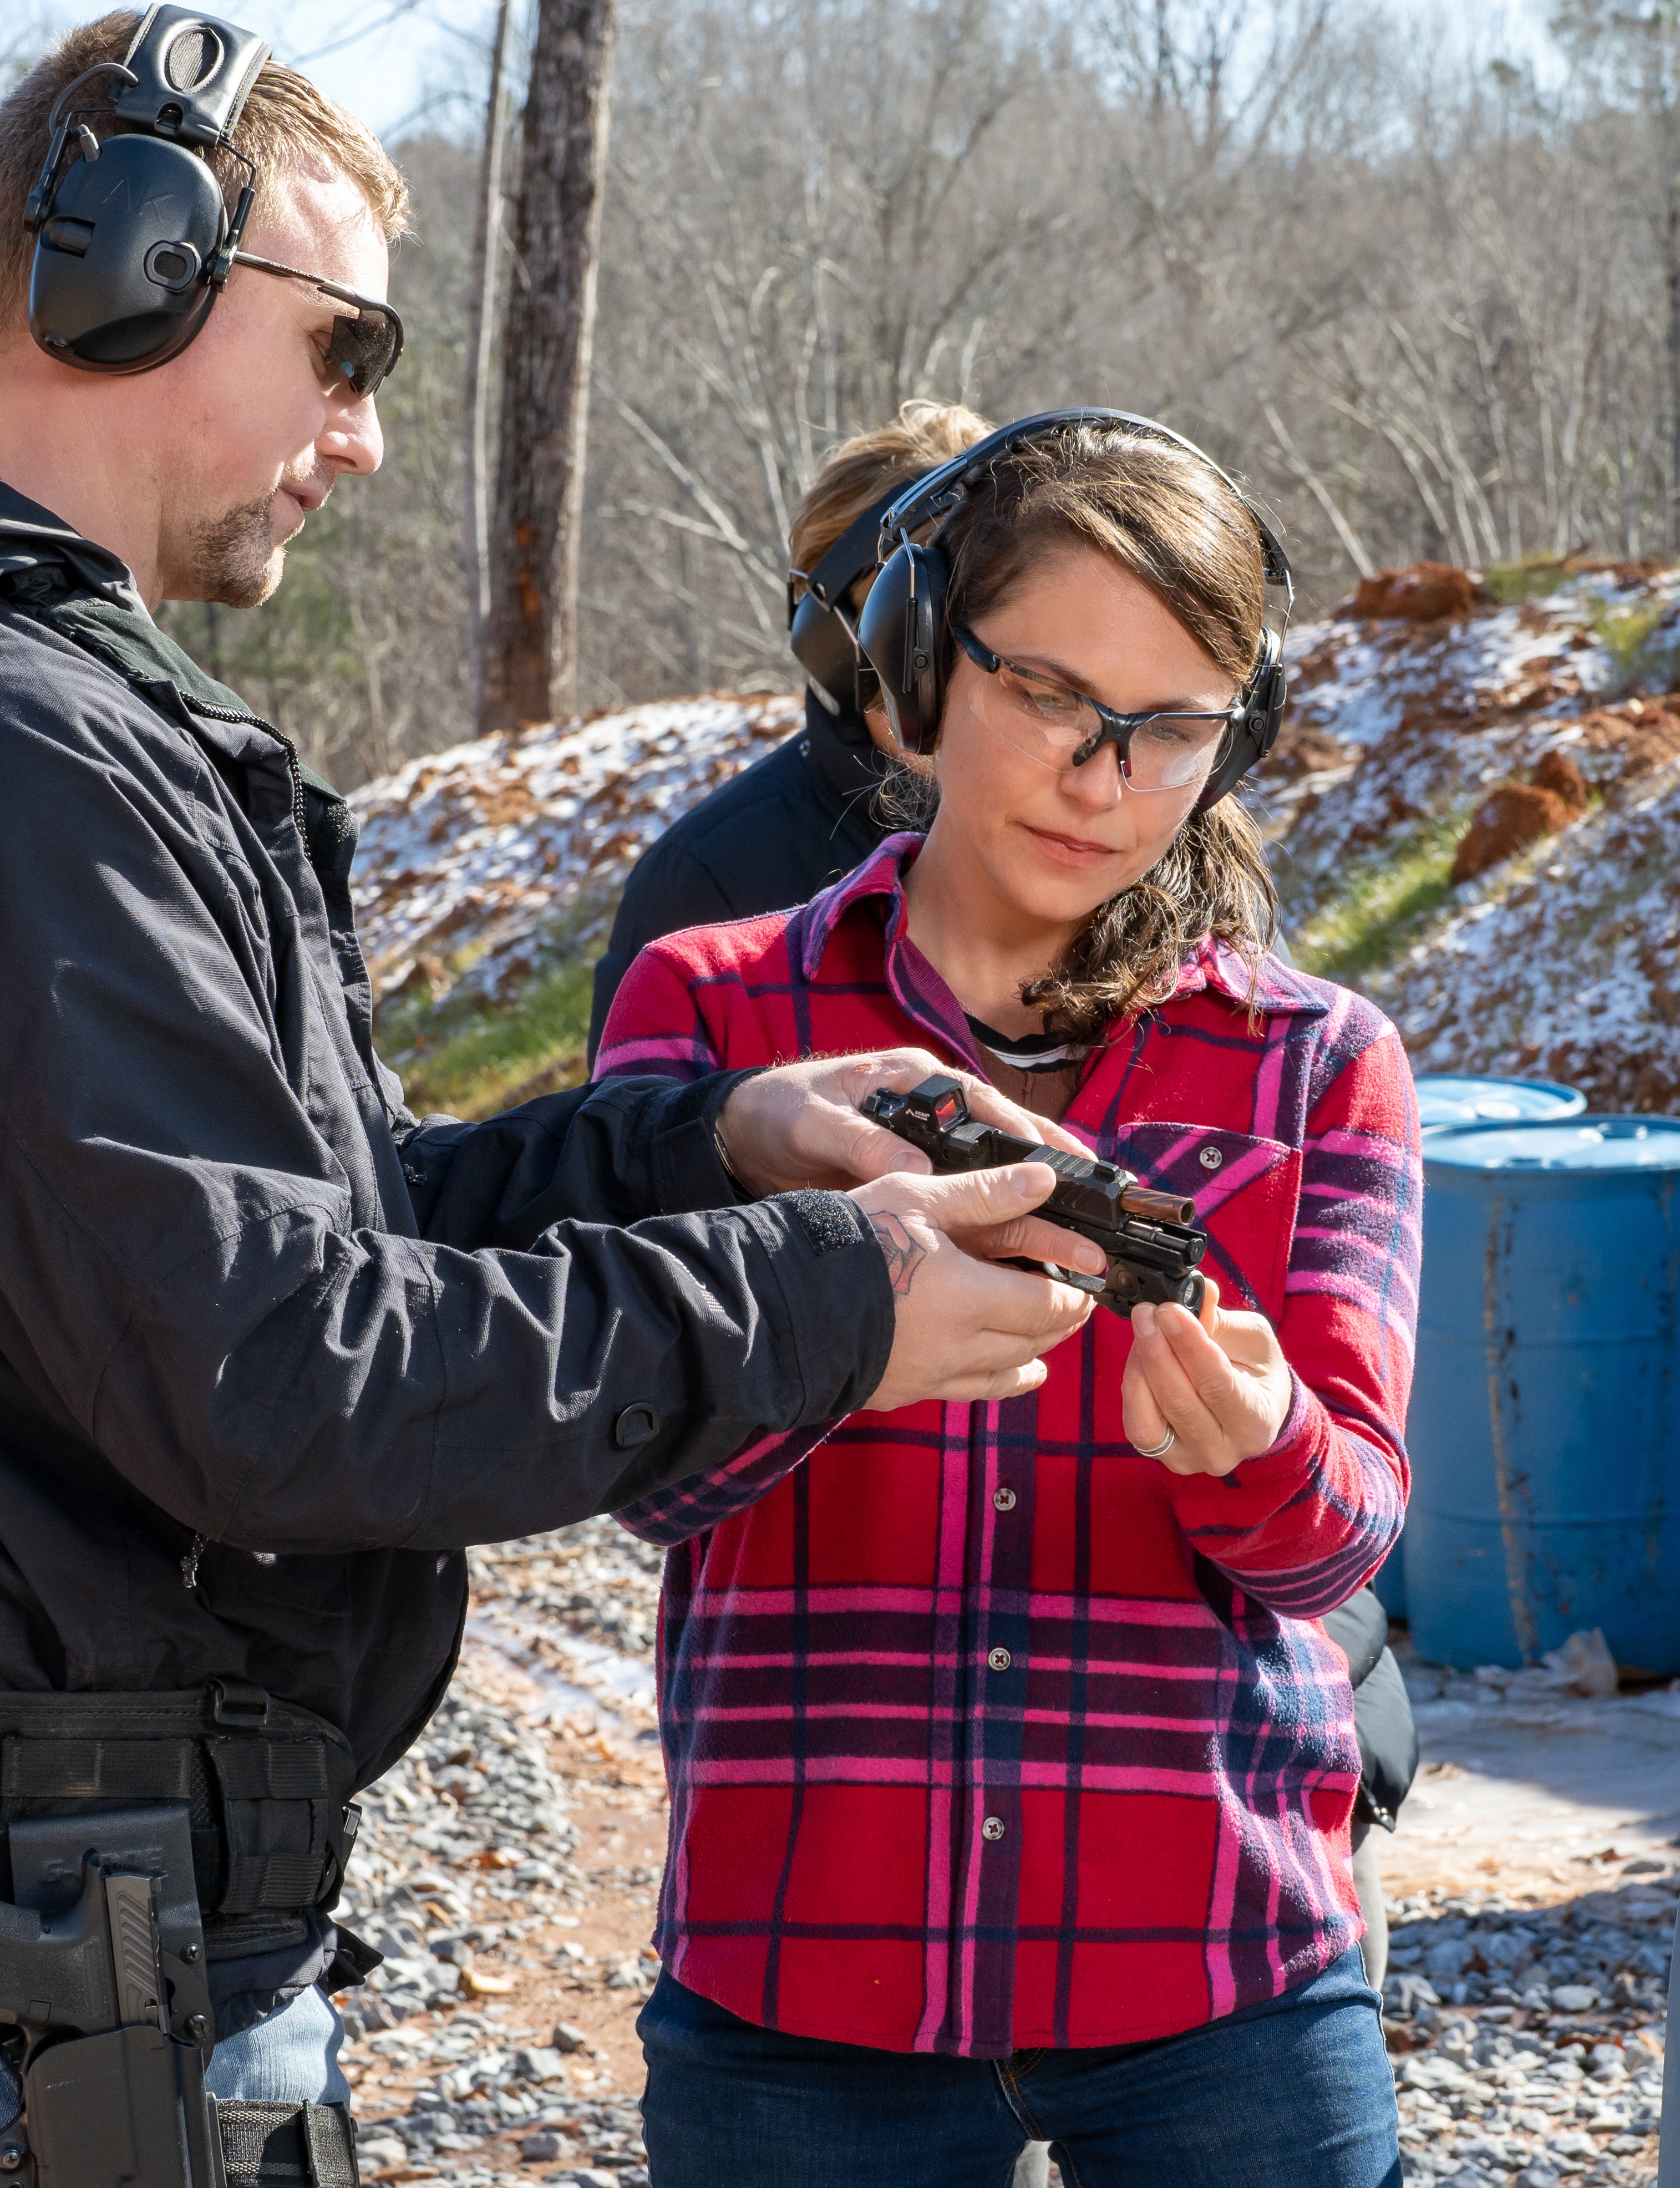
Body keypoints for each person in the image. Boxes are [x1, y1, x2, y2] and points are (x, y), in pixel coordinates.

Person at [0, 19, 1099, 2188]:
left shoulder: (16, 717)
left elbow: (312, 1228)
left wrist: (714, 1140)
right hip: (44, 2029)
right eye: (339, 347)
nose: (369, 432)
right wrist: (819, 1303)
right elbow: (268, 1376)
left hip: (74, 1973)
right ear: (116, 274)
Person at [596, 410, 1422, 2187]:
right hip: (800, 1974)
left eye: (1173, 729)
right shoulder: (714, 1015)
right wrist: (838, 1333)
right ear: (915, 677)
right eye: (1050, 694)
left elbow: (1340, 1544)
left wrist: (1261, 1447)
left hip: (1216, 1969)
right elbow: (635, 1474)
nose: (1106, 777)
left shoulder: (1320, 1064)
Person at [583, 400, 991, 1055]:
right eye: (916, 623)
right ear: (827, 643)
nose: (956, 662)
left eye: (983, 616)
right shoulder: (707, 882)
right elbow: (632, 1147)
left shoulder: (1092, 832)